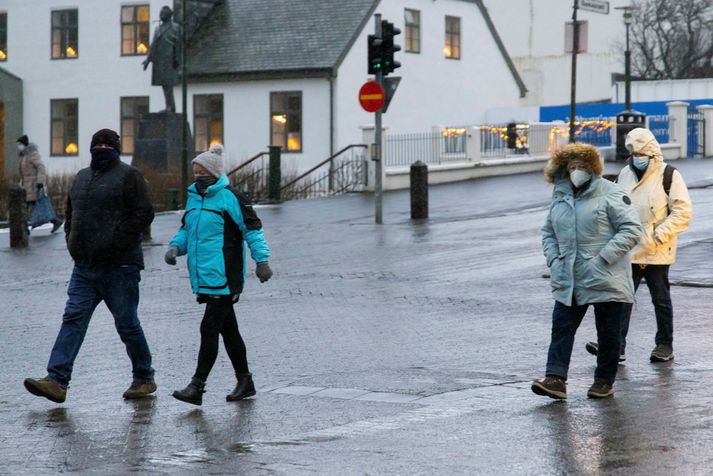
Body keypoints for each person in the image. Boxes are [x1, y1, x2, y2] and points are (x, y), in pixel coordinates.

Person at [24, 129, 157, 403]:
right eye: (97, 144)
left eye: (108, 144)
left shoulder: (129, 176)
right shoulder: (82, 177)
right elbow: (72, 213)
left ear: (117, 149)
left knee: (127, 323)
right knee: (73, 318)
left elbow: (144, 213)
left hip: (120, 266)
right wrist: (72, 240)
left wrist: (116, 241)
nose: (102, 148)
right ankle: (57, 380)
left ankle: (144, 377)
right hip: (84, 266)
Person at [532, 143, 642, 400]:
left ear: (592, 168)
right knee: (561, 327)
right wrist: (554, 259)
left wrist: (603, 258)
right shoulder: (561, 195)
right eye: (572, 166)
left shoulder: (610, 193)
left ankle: (604, 381)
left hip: (605, 275)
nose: (576, 171)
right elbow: (549, 231)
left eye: (582, 166)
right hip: (569, 276)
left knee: (608, 333)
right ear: (563, 169)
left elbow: (631, 229)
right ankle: (555, 379)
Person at [165, 144, 272, 406]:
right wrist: (175, 247)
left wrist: (262, 261)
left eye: (201, 171)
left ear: (213, 172)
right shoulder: (194, 198)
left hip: (226, 276)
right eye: (194, 171)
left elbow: (252, 230)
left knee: (208, 328)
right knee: (229, 331)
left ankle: (196, 386)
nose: (197, 175)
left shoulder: (231, 198)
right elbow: (187, 230)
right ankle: (245, 381)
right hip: (204, 278)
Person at [585, 128, 692, 363]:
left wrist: (657, 236)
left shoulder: (669, 175)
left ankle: (664, 345)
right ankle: (615, 346)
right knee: (621, 298)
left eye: (642, 153)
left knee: (660, 299)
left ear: (652, 153)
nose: (637, 157)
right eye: (634, 153)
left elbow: (682, 212)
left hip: (657, 250)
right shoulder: (625, 174)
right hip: (629, 248)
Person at [17, 134, 62, 233]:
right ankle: (54, 221)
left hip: (33, 185)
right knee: (34, 206)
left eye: (20, 144)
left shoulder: (32, 154)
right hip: (26, 186)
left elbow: (41, 167)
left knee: (34, 206)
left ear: (24, 144)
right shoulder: (23, 156)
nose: (18, 146)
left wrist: (40, 182)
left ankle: (26, 228)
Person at [142, 5, 180, 112]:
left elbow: (178, 45)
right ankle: (169, 106)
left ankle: (171, 107)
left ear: (168, 15)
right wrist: (147, 60)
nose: (161, 15)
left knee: (168, 86)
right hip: (160, 61)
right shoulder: (158, 29)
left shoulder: (175, 28)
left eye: (163, 13)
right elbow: (153, 45)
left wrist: (177, 59)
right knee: (164, 85)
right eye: (160, 13)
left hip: (169, 61)